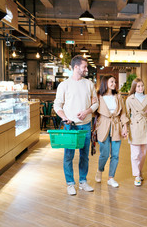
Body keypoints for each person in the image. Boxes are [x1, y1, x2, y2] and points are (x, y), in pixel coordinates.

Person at [54, 55, 99, 196]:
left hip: (85, 125)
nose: (86, 69)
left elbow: (96, 103)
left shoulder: (89, 84)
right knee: (68, 155)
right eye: (84, 67)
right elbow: (57, 105)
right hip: (70, 126)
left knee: (84, 155)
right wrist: (64, 117)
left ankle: (83, 181)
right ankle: (70, 183)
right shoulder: (64, 85)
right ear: (76, 67)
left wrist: (87, 111)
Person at [94, 75, 129, 188]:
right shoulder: (99, 96)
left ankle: (111, 178)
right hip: (103, 125)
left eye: (115, 82)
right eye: (112, 82)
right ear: (105, 83)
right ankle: (100, 170)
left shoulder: (118, 96)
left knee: (115, 155)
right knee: (104, 154)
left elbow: (123, 113)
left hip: (116, 126)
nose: (114, 84)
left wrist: (125, 127)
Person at [125, 78, 147, 186]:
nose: (141, 88)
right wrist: (125, 128)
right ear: (134, 87)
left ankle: (139, 171)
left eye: (142, 86)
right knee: (135, 154)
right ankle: (136, 175)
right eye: (138, 86)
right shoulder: (129, 99)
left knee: (143, 153)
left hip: (145, 126)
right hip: (135, 127)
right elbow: (127, 115)